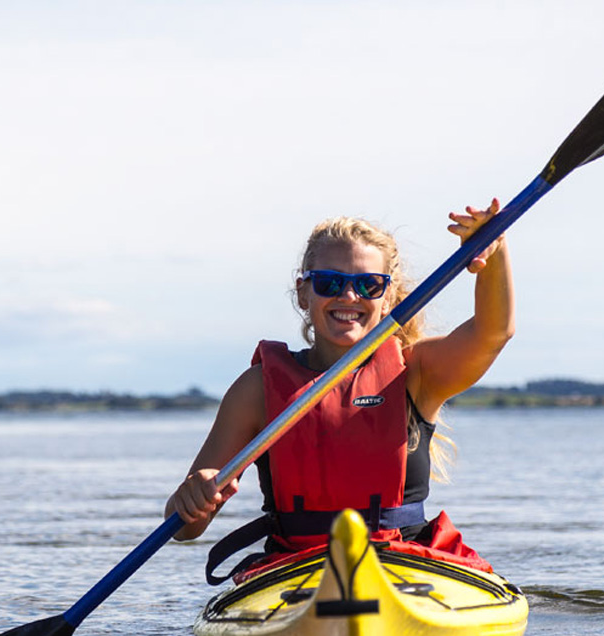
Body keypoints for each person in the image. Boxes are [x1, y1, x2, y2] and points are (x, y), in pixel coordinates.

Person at [166, 198, 513, 583]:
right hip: (295, 570)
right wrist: (192, 497)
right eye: (330, 283)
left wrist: (494, 256)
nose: (349, 296)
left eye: (368, 285)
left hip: (407, 563)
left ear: (388, 300)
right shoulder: (256, 390)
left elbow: (493, 333)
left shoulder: (418, 373)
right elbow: (184, 528)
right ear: (303, 294)